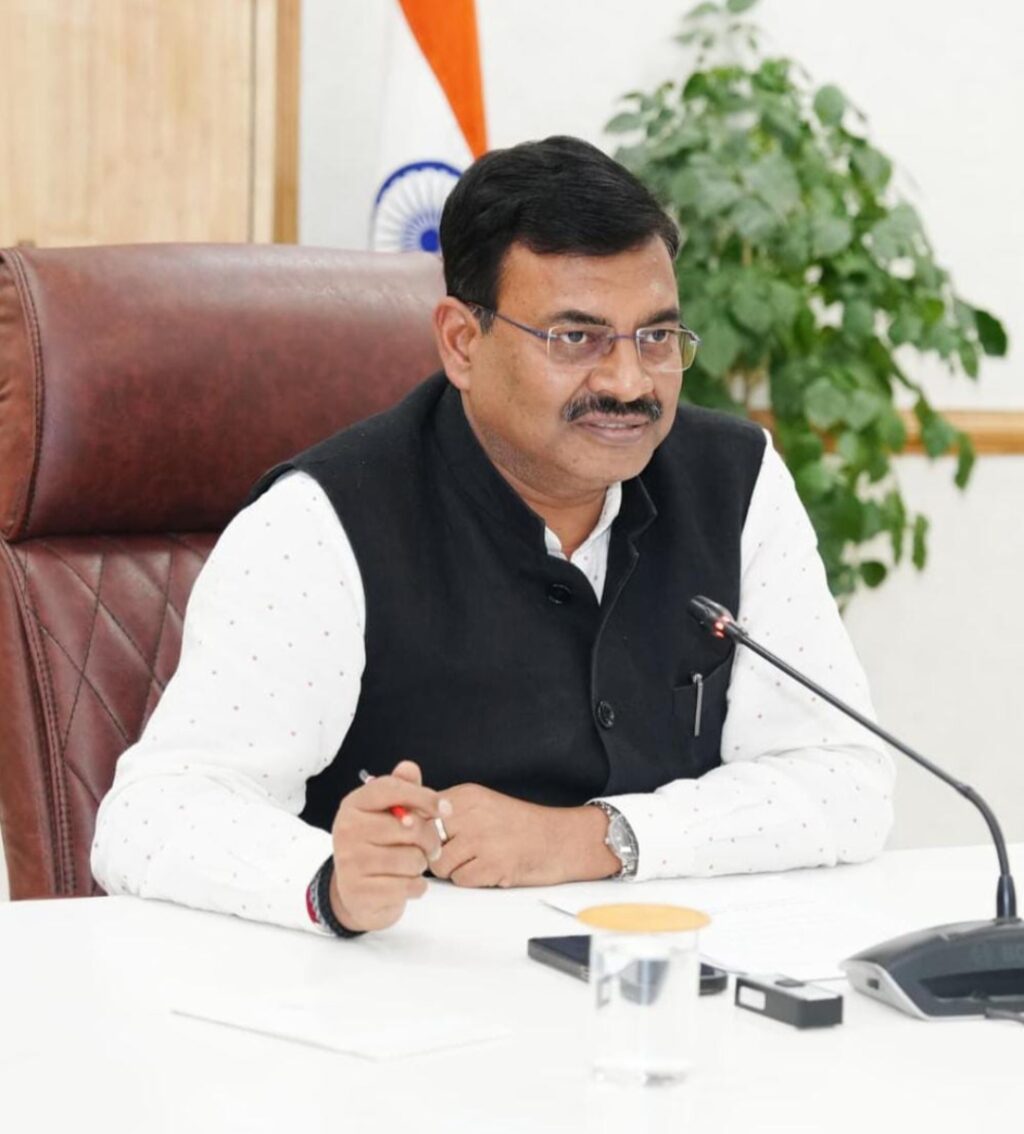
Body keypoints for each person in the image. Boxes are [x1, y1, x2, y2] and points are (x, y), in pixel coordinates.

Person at [92, 136, 893, 937]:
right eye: (576, 339)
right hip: (404, 985)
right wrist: (329, 881)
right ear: (462, 343)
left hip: (662, 972)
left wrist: (597, 838)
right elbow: (154, 814)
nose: (629, 382)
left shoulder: (737, 481)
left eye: (655, 338)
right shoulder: (320, 522)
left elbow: (847, 781)